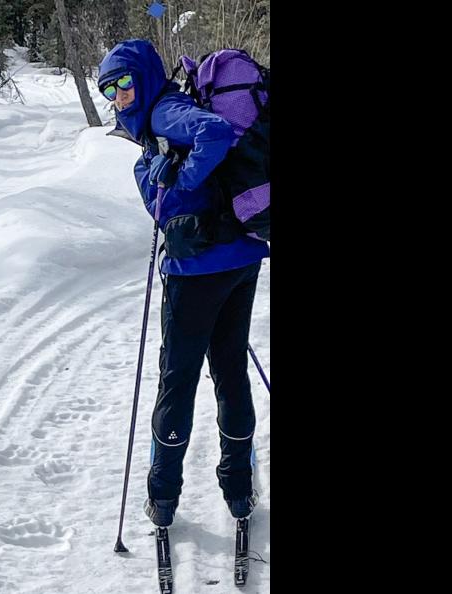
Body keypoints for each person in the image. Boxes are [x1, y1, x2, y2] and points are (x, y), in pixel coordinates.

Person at [98, 39, 270, 526]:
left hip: (196, 273)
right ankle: (238, 489)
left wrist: (180, 180)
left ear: (146, 76)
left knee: (179, 379)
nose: (120, 96)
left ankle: (164, 496)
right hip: (241, 258)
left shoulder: (165, 112)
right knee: (230, 371)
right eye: (110, 89)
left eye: (126, 82)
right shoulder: (176, 106)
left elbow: (213, 132)